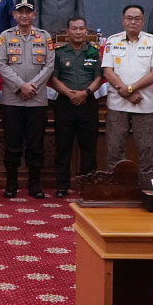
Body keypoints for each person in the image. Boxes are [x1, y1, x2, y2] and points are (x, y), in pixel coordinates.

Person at [0, 0, 55, 198]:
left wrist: (33, 86)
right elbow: (1, 65)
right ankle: (11, 184)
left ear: (33, 15)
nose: (23, 15)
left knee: (35, 145)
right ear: (14, 15)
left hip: (37, 100)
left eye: (27, 12)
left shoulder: (44, 36)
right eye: (20, 12)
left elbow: (49, 65)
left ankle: (34, 184)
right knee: (12, 144)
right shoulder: (5, 36)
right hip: (12, 100)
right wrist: (21, 86)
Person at [101, 5, 153, 187]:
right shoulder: (113, 41)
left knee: (146, 150)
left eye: (137, 18)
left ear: (143, 21)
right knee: (114, 149)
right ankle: (115, 188)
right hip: (117, 105)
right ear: (123, 20)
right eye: (129, 18)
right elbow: (107, 71)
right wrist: (127, 92)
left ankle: (146, 189)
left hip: (145, 105)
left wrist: (129, 89)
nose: (133, 22)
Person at [49, 16, 103, 197]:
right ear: (67, 32)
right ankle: (62, 185)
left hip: (88, 102)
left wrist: (85, 93)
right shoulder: (59, 52)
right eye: (74, 28)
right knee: (63, 146)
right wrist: (70, 94)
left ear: (86, 31)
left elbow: (98, 77)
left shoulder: (94, 52)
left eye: (81, 29)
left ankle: (87, 185)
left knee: (88, 147)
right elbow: (54, 78)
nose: (78, 32)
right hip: (65, 103)